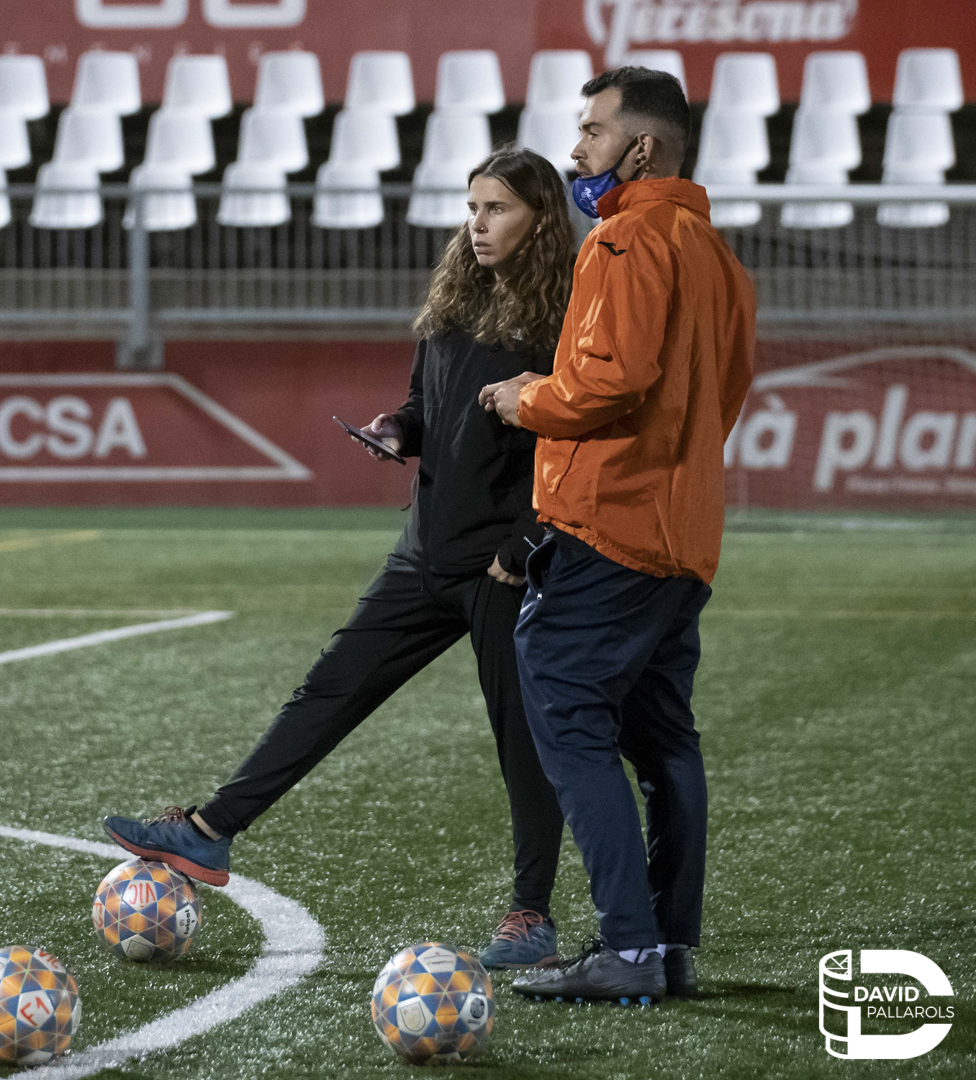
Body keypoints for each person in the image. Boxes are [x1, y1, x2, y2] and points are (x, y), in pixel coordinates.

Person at [103, 148, 576, 969]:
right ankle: (211, 831)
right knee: (326, 690)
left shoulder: (565, 321)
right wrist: (399, 428)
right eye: (472, 207)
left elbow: (576, 447)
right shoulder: (454, 305)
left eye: (497, 208)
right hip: (424, 554)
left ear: (540, 220)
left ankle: (530, 916)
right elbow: (426, 404)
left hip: (501, 569)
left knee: (523, 743)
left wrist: (524, 545)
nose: (477, 224)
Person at [479, 68, 756, 1003]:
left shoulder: (626, 238)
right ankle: (669, 946)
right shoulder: (718, 256)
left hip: (611, 525)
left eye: (593, 132)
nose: (576, 149)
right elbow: (723, 395)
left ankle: (629, 948)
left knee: (567, 713)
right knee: (665, 737)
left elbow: (612, 379)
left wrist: (529, 400)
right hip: (684, 532)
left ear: (642, 147)